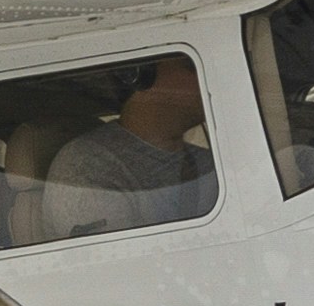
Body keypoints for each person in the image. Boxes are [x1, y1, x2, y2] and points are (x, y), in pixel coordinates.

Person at [35, 54, 214, 235]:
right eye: (190, 65)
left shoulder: (208, 163)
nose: (209, 73)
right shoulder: (88, 166)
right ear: (138, 74)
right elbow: (114, 253)